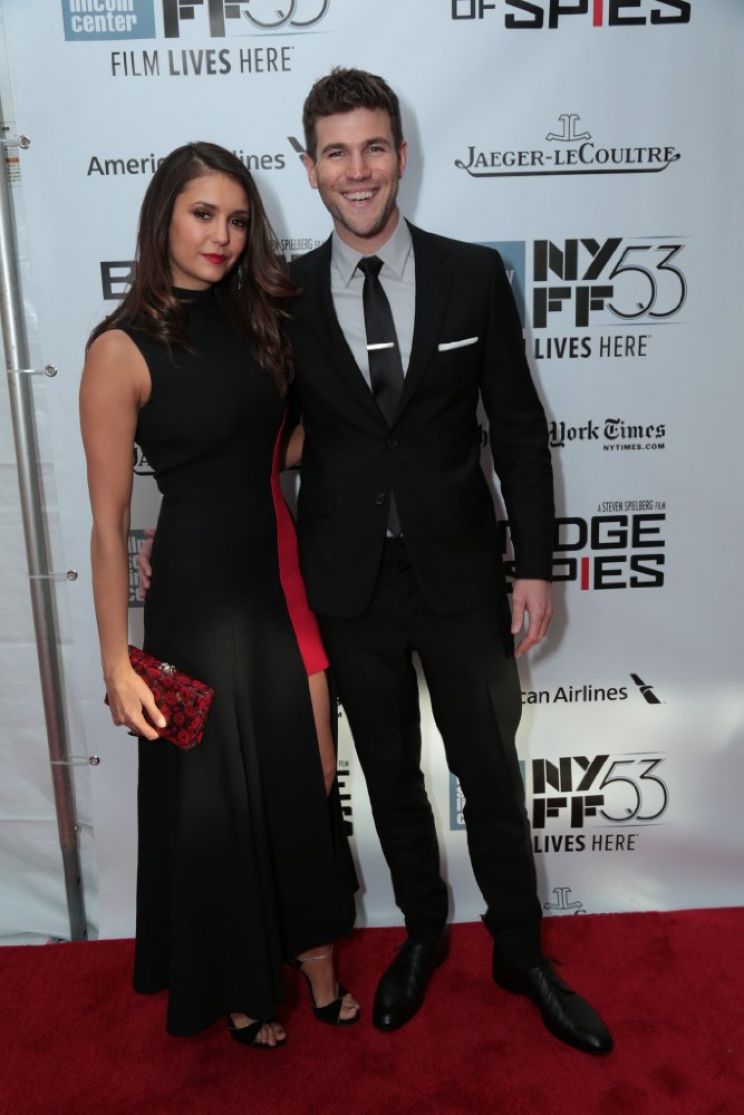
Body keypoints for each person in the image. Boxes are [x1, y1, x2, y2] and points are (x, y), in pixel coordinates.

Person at [285, 68, 612, 1054]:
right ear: (310, 167)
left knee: (490, 771)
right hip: (349, 581)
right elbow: (247, 433)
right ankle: (422, 930)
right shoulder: (281, 295)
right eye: (336, 152)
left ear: (401, 152)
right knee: (388, 776)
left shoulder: (472, 275)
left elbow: (517, 427)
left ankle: (521, 951)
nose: (357, 170)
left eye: (373, 147)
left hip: (464, 575)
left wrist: (534, 565)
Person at [79, 141, 358, 1047]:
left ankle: (314, 954)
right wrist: (117, 662)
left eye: (238, 220)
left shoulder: (261, 319)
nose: (222, 236)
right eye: (204, 214)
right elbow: (107, 523)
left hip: (277, 575)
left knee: (306, 775)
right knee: (218, 798)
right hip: (194, 603)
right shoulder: (119, 349)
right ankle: (244, 978)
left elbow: (277, 443)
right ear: (162, 215)